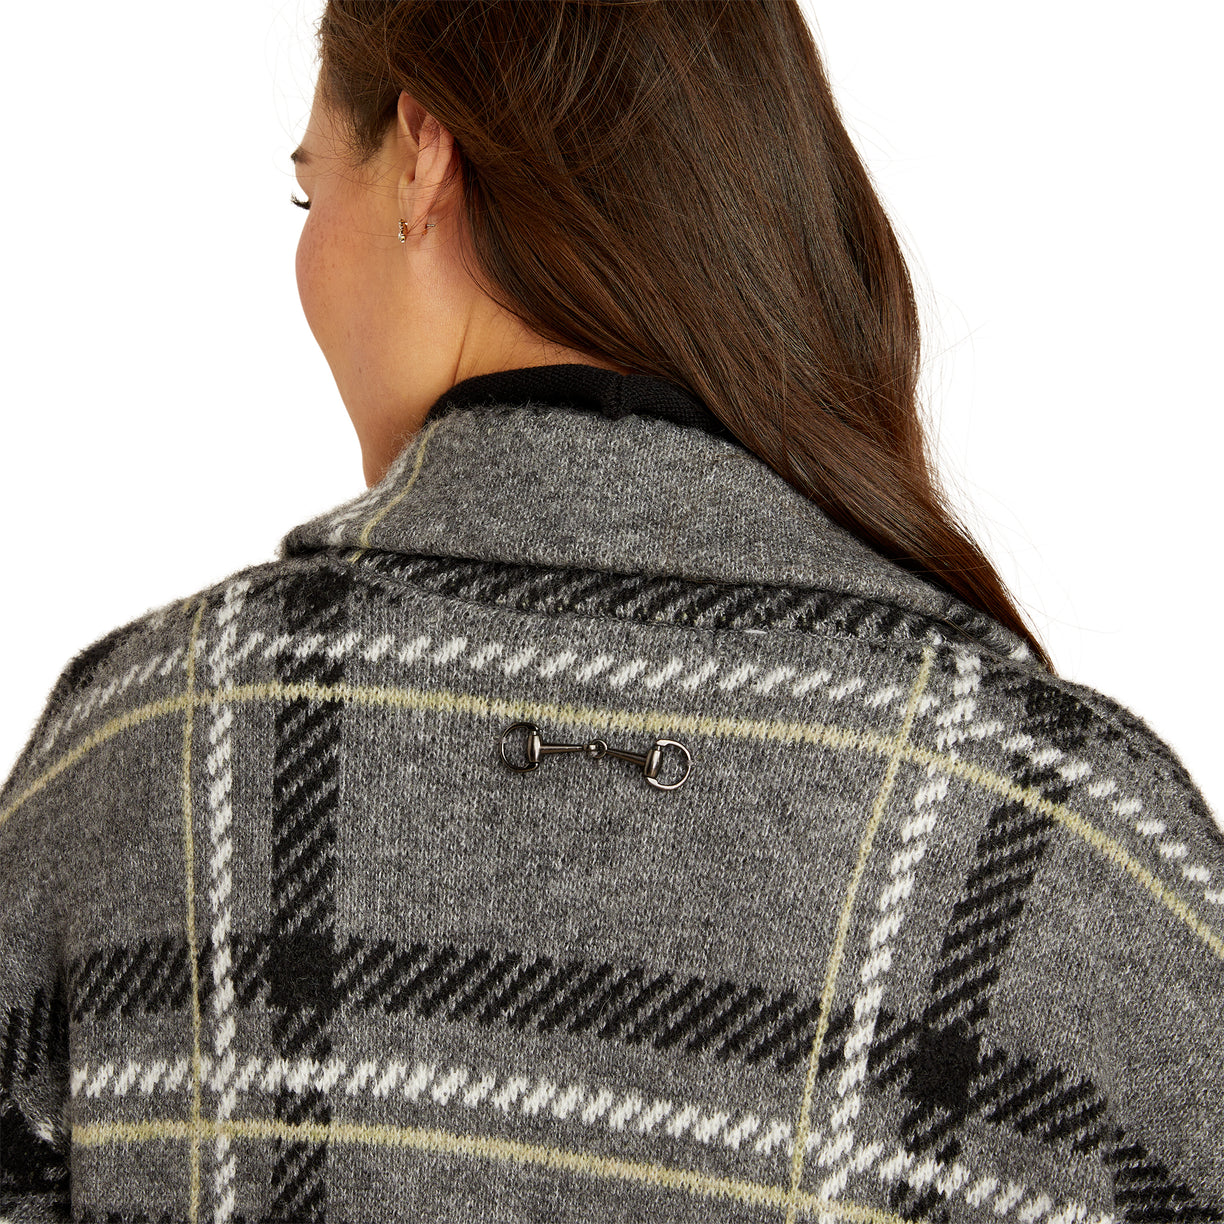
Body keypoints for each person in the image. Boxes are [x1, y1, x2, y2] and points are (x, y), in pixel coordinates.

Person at [1, 1, 1220, 1219]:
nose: (310, 252)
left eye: (307, 191)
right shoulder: (1076, 844)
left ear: (421, 159)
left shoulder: (141, 757)